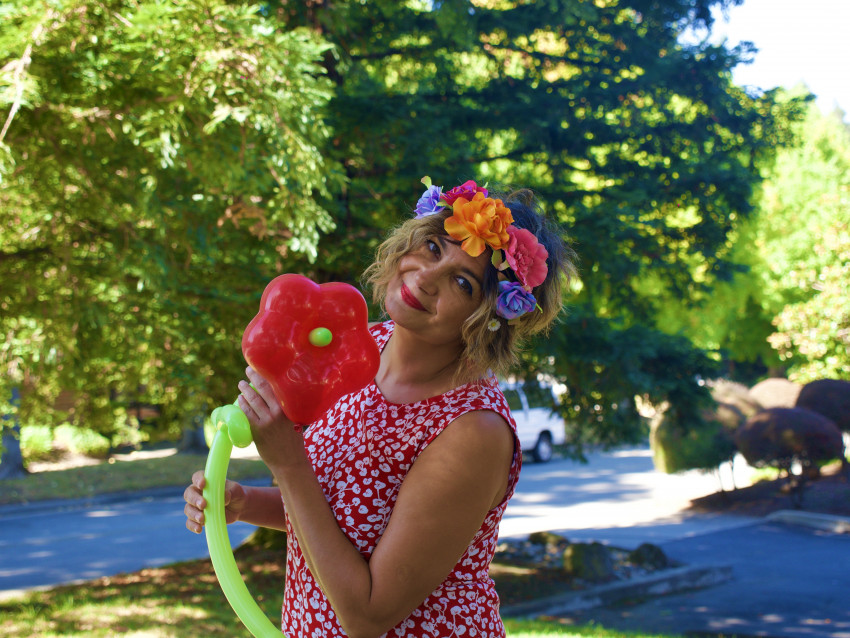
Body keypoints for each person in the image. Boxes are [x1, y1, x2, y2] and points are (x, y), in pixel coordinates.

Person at [184, 177, 577, 638]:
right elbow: (342, 516)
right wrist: (245, 503)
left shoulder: (473, 430)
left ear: (490, 317)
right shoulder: (359, 345)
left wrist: (288, 462)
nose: (427, 277)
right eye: (433, 247)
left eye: (462, 282)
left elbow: (368, 615)